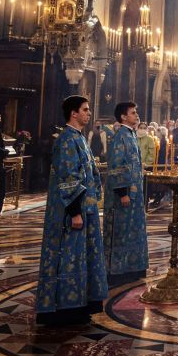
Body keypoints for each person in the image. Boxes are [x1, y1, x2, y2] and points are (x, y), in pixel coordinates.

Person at [35, 96, 108, 326]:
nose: (89, 113)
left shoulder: (78, 138)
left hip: (84, 209)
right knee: (69, 257)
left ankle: (80, 305)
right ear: (73, 113)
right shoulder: (67, 139)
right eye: (85, 110)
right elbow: (69, 178)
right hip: (71, 213)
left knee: (81, 257)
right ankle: (64, 309)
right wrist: (75, 211)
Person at [103, 102, 148, 286]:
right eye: (133, 113)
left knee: (132, 230)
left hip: (135, 195)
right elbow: (117, 166)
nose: (136, 115)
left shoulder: (130, 134)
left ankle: (133, 267)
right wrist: (122, 193)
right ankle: (117, 271)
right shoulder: (120, 136)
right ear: (123, 116)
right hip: (124, 195)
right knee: (121, 232)